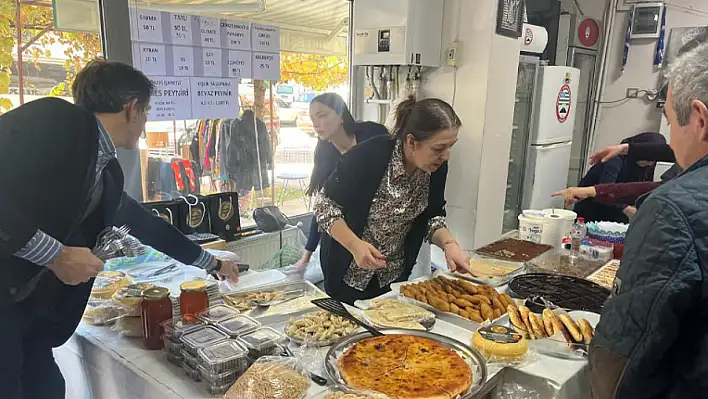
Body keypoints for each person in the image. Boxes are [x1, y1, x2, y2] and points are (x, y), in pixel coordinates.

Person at [0, 60, 239, 399]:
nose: (144, 124)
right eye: (146, 111)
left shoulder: (106, 170)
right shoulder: (56, 119)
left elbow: (144, 224)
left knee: (47, 386)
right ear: (131, 108)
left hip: (30, 318)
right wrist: (56, 254)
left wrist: (211, 263)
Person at [590, 43, 708, 398]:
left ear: (700, 121)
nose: (672, 142)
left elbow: (624, 354)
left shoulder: (673, 209)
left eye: (671, 123)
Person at [313, 96, 472, 304]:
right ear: (411, 142)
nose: (446, 156)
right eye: (439, 148)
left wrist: (449, 243)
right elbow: (324, 206)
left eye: (451, 146)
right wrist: (355, 245)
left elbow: (432, 216)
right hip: (347, 273)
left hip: (393, 275)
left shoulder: (436, 167)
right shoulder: (369, 155)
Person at [295, 93, 388, 267]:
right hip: (350, 239)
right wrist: (306, 256)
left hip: (386, 229)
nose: (316, 124)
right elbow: (323, 208)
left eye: (321, 116)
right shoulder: (326, 157)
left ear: (340, 115)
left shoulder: (373, 135)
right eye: (312, 118)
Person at [554, 132, 666, 222]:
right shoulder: (615, 160)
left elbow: (643, 188)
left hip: (617, 208)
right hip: (593, 207)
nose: (649, 163)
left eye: (653, 160)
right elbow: (604, 191)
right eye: (646, 159)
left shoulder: (649, 163)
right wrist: (625, 208)